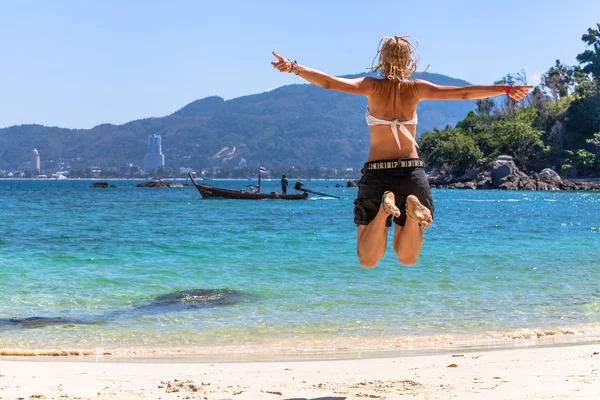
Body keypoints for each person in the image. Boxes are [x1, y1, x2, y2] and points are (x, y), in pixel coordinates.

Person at [271, 36, 531, 268]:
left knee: (368, 259)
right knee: (407, 258)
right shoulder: (415, 88)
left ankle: (385, 210)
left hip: (377, 173)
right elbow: (462, 93)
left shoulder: (371, 86)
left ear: (382, 59)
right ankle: (411, 210)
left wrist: (295, 67)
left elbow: (329, 83)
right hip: (412, 172)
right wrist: (506, 89)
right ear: (409, 60)